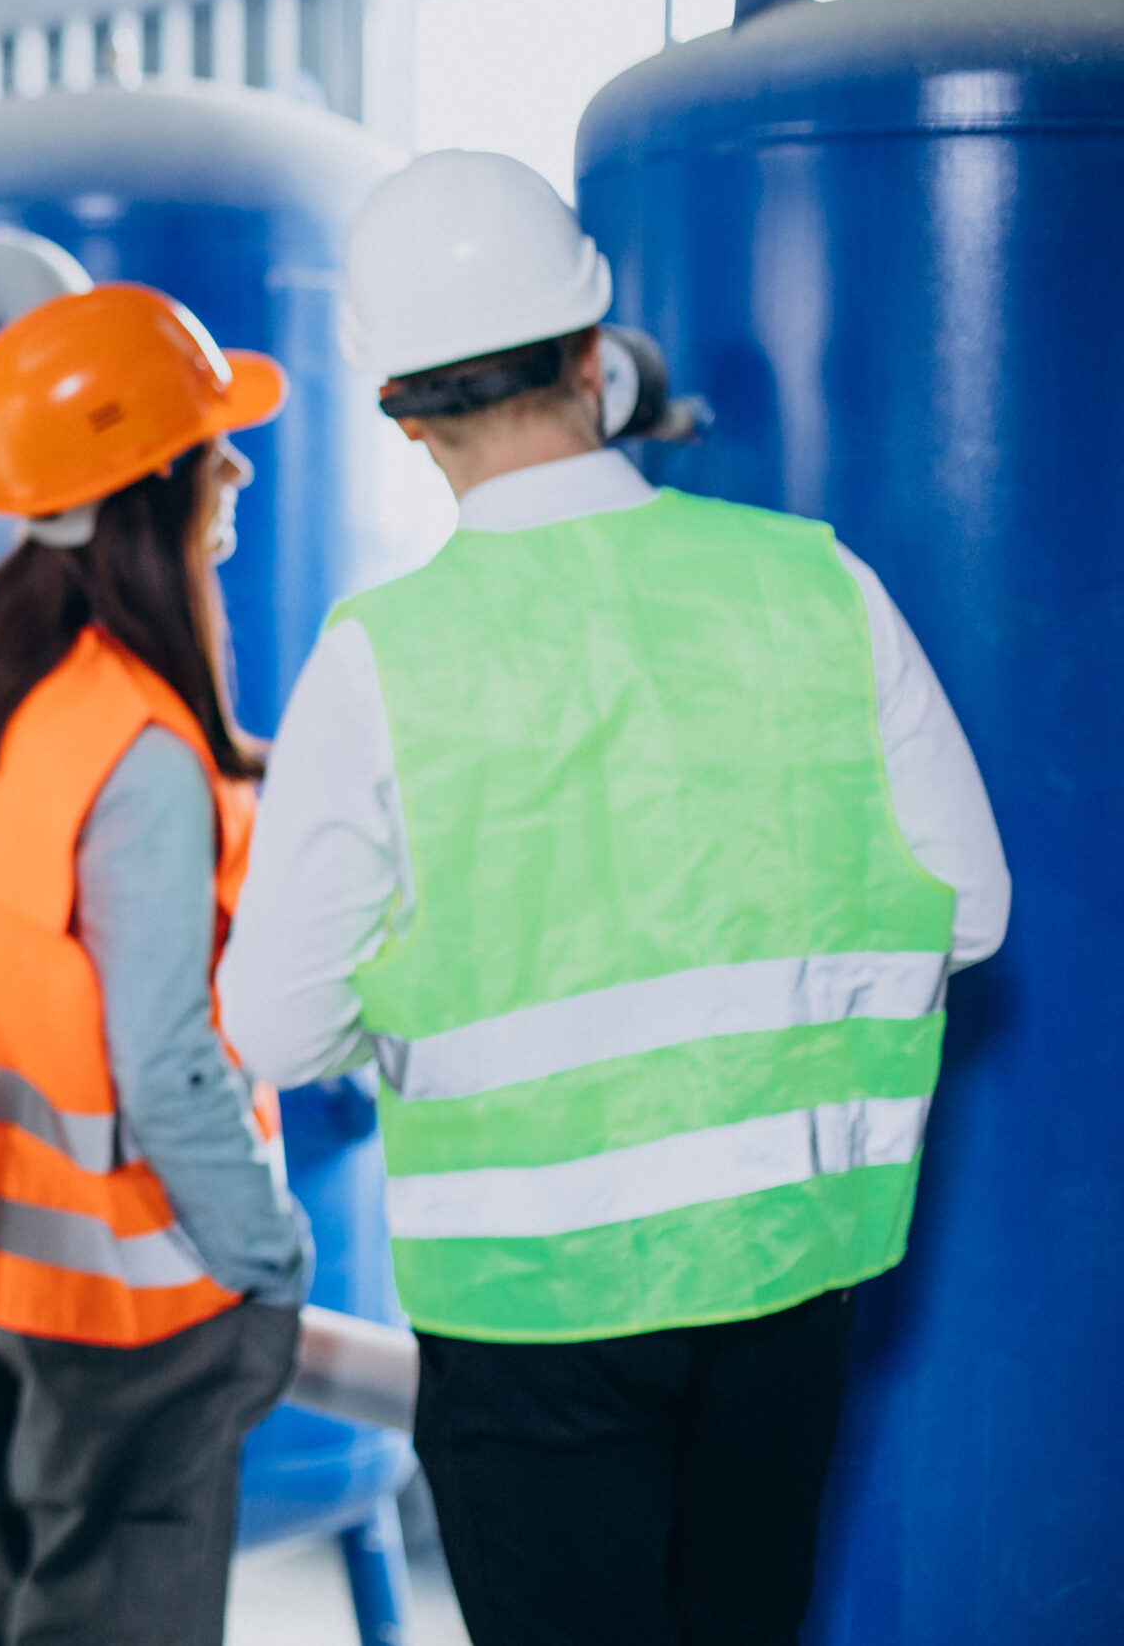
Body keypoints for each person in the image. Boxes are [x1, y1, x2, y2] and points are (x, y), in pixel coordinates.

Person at [219, 149, 1011, 1646]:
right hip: (790, 1283)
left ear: (399, 413)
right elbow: (970, 912)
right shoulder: (815, 585)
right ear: (598, 357)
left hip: (529, 1315)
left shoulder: (382, 658)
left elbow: (273, 1026)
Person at [0, 286, 312, 1646]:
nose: (234, 465)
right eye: (208, 442)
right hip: (135, 1299)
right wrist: (269, 1259)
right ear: (140, 484)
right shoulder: (142, 754)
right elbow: (166, 1068)